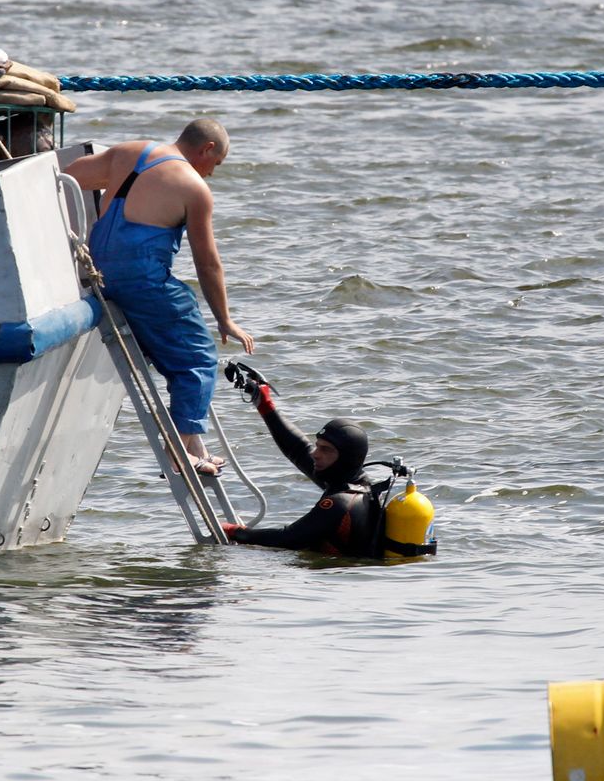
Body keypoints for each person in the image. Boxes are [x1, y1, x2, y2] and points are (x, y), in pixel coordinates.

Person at [64, 119, 255, 476]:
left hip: (99, 273)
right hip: (142, 281)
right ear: (207, 150)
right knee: (198, 357)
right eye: (216, 165)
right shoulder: (193, 188)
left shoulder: (131, 151)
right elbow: (207, 261)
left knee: (173, 353)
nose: (211, 174)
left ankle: (194, 442)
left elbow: (65, 178)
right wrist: (224, 318)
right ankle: (180, 452)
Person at [223, 376, 379, 557]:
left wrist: (235, 531)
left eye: (325, 449)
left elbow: (288, 539)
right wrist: (264, 405)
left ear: (346, 458)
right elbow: (298, 449)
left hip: (339, 576)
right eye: (318, 445)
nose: (315, 453)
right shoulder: (353, 482)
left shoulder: (340, 503)